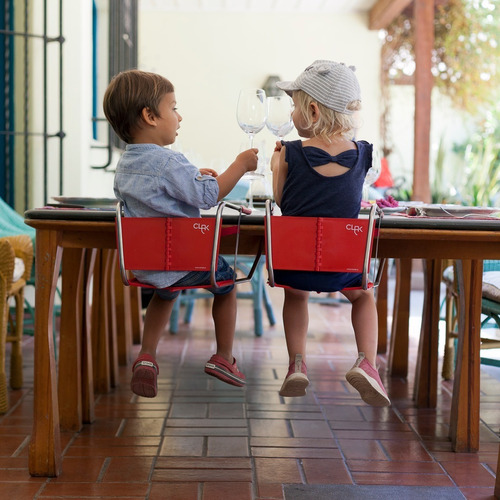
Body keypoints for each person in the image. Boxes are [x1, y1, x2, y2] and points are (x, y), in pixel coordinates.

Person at [103, 69, 258, 398]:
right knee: (227, 285)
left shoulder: (125, 165)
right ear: (150, 116)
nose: (180, 116)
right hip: (186, 260)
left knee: (165, 291)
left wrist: (193, 177)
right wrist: (240, 165)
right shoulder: (169, 161)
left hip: (148, 265)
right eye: (173, 107)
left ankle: (147, 355)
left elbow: (153, 200)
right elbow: (209, 195)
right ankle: (224, 356)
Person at [270, 60, 390, 407]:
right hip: (343, 265)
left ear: (311, 110)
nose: (292, 114)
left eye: (294, 106)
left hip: (295, 264)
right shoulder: (364, 154)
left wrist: (278, 164)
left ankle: (296, 363)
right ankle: (366, 361)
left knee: (296, 295)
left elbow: (281, 200)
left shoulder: (290, 152)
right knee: (364, 295)